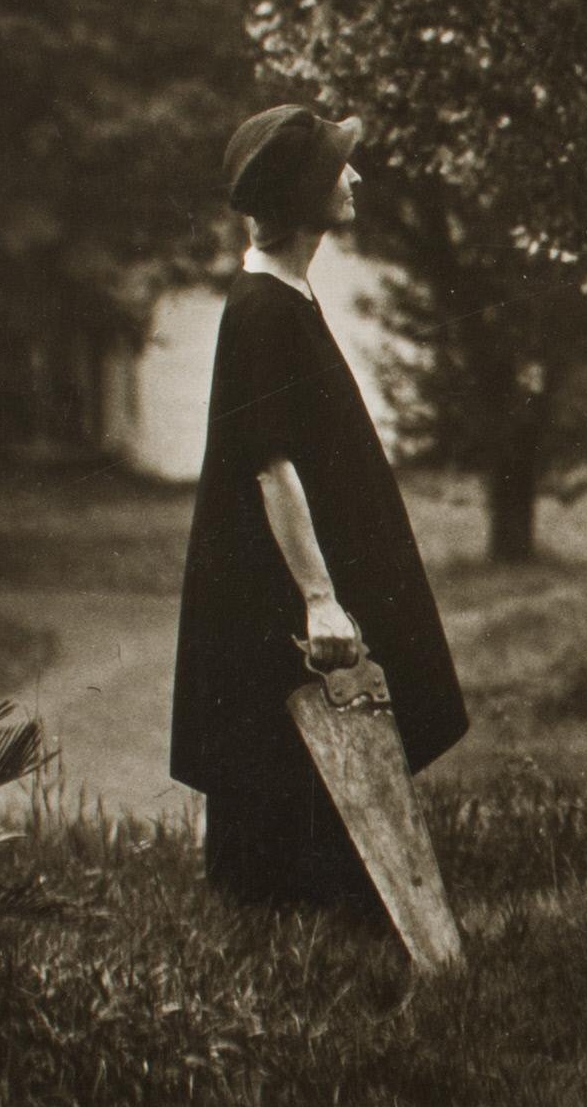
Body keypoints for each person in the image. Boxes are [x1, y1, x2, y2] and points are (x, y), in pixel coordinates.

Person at [169, 105, 468, 911]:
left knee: (303, 765)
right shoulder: (262, 309)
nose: (356, 177)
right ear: (304, 195)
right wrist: (320, 596)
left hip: (294, 566)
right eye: (340, 168)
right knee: (275, 752)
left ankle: (329, 911)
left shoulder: (287, 295)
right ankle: (290, 926)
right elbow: (269, 467)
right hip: (274, 576)